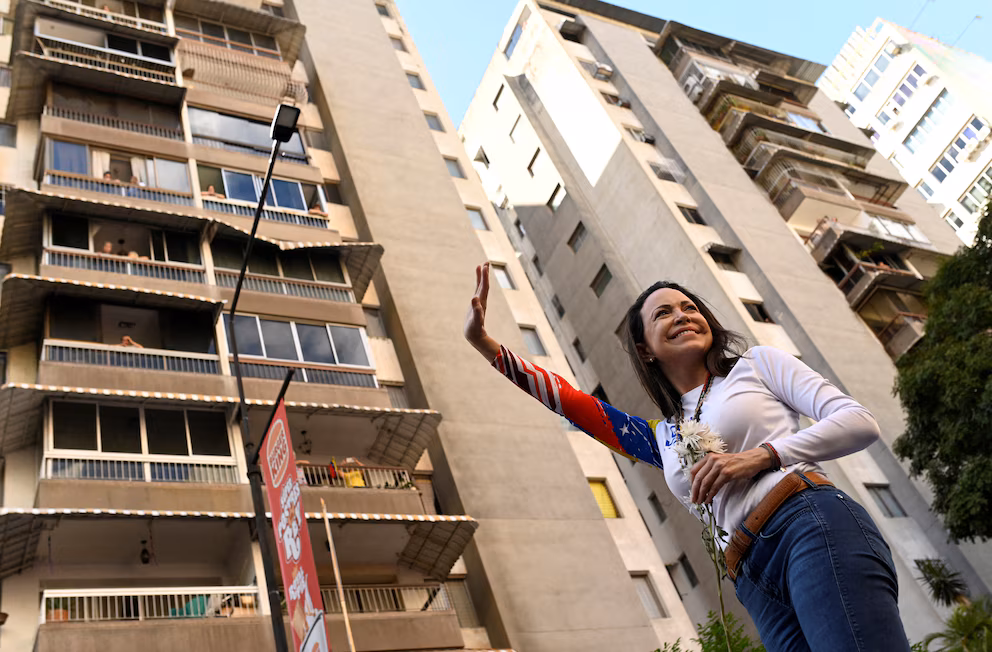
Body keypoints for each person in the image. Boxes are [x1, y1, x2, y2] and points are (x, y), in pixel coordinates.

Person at [463, 262, 909, 652]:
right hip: (751, 576)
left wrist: (763, 456)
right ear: (644, 350)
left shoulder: (756, 365)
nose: (683, 315)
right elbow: (573, 402)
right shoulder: (661, 437)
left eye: (690, 307)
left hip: (807, 525)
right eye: (664, 313)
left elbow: (858, 422)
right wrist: (486, 345)